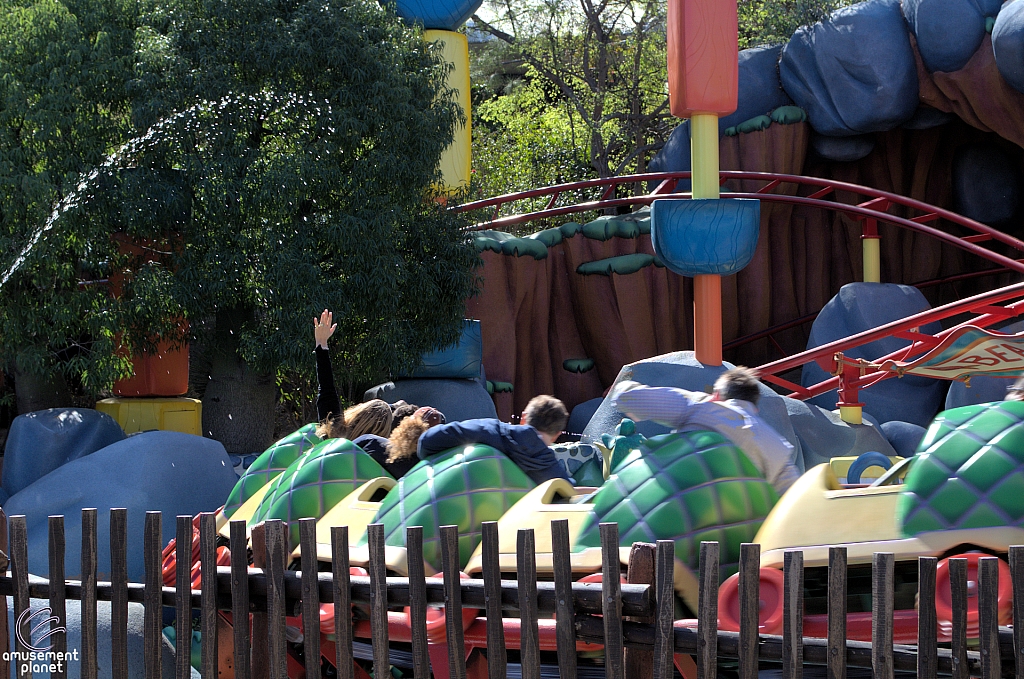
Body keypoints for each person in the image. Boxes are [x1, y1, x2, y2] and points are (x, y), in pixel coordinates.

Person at [611, 367, 801, 494]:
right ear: (755, 408)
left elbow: (627, 398)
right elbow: (792, 503)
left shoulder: (699, 406)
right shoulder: (777, 445)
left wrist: (623, 383)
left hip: (678, 511)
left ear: (716, 395)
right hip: (741, 538)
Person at [417, 395, 573, 484]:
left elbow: (426, 441)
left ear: (523, 418)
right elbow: (568, 491)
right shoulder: (548, 466)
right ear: (557, 435)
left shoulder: (489, 430)